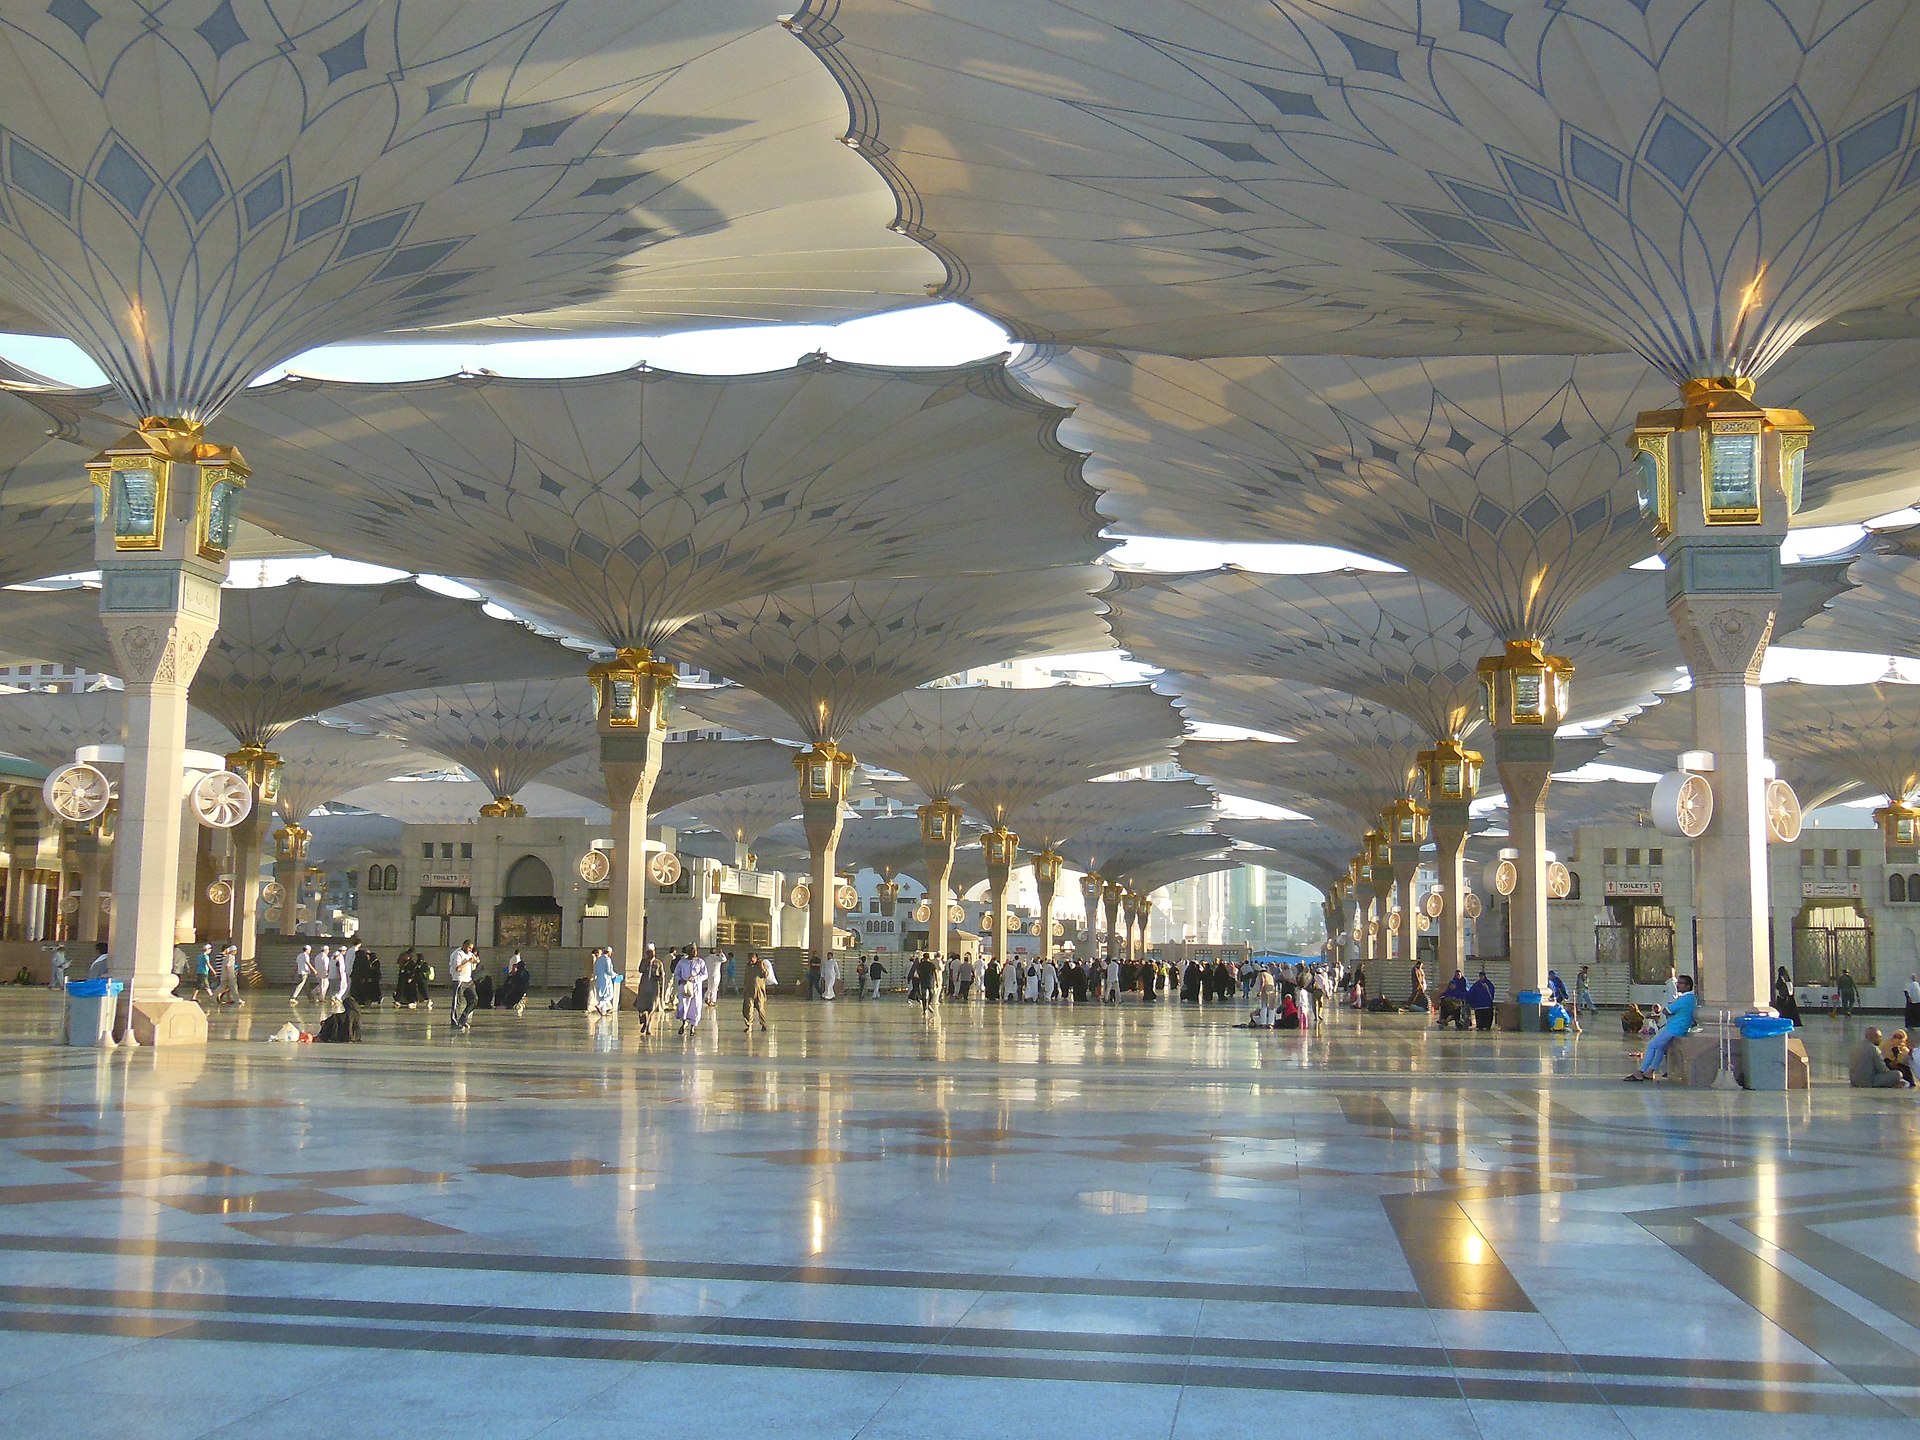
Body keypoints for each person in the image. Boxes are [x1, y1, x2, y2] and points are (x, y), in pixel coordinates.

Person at [1625, 975, 1696, 1081]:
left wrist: (1669, 1012)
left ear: (1688, 986)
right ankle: (1650, 1071)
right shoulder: (1692, 998)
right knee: (1659, 1048)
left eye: (1681, 983)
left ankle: (1640, 1071)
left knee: (1651, 1046)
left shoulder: (1684, 999)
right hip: (1681, 1028)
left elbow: (1666, 1010)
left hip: (1673, 1027)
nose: (1678, 985)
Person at [674, 949, 706, 1034]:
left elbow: (705, 974)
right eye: (692, 951)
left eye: (695, 950)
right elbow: (676, 973)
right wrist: (681, 980)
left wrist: (696, 978)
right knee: (684, 1006)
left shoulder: (700, 962)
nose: (694, 952)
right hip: (685, 987)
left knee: (695, 1007)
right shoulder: (682, 962)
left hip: (696, 988)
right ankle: (684, 1023)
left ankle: (692, 1028)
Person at [634, 945, 664, 1036]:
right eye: (648, 952)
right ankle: (644, 1021)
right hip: (644, 987)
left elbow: (662, 975)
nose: (650, 954)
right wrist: (646, 963)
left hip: (653, 988)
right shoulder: (644, 961)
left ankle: (648, 1026)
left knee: (651, 1008)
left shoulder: (658, 963)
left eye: (652, 952)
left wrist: (660, 982)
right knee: (641, 1008)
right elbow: (640, 970)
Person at [450, 944, 479, 1034]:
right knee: (457, 1002)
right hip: (459, 980)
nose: (470, 950)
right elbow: (458, 968)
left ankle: (463, 1019)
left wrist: (475, 961)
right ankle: (454, 1022)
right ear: (464, 946)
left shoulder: (470, 953)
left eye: (471, 948)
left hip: (468, 980)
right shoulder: (457, 954)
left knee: (474, 1000)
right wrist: (468, 962)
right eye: (469, 948)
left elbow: (476, 960)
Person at [743, 951, 772, 1033]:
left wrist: (762, 967)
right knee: (748, 1009)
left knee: (760, 1008)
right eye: (749, 959)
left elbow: (765, 974)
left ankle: (763, 1024)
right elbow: (746, 978)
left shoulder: (760, 965)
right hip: (749, 991)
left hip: (759, 991)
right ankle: (749, 1026)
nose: (750, 960)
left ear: (756, 958)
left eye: (752, 959)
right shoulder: (748, 966)